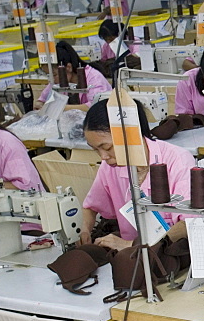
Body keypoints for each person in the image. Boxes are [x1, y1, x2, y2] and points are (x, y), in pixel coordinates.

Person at [81, 100, 194, 250]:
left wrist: (133, 246)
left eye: (107, 147)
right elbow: (91, 206)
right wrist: (85, 230)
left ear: (130, 135)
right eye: (95, 150)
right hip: (132, 255)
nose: (103, 156)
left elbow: (189, 224)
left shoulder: (178, 161)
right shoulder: (109, 167)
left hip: (171, 251)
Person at [35, 41, 112, 110]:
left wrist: (62, 108)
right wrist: (40, 104)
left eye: (54, 75)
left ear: (68, 67)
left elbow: (96, 106)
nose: (52, 80)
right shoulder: (56, 81)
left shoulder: (94, 78)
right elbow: (42, 99)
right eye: (48, 75)